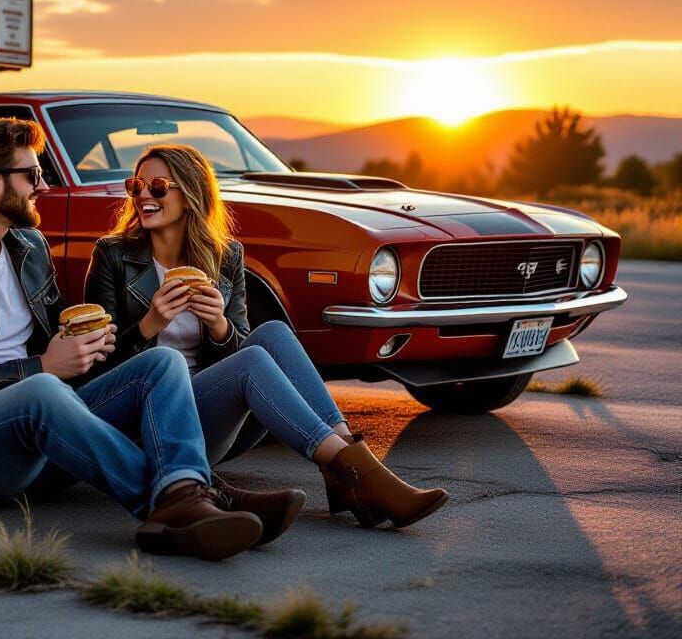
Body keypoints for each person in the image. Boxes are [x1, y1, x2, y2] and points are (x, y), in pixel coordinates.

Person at [0, 117, 282, 561]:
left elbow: (57, 344)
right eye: (31, 174)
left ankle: (188, 491)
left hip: (42, 439)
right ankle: (189, 502)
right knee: (43, 389)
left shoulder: (28, 247)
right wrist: (43, 367)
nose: (42, 184)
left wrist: (89, 347)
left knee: (162, 364)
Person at [84, 143, 449, 532]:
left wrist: (219, 326)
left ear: (190, 194)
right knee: (253, 361)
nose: (143, 195)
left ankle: (345, 469)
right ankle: (356, 477)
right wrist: (150, 323)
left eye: (156, 186)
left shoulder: (225, 257)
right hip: (152, 420)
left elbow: (238, 344)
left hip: (213, 414)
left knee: (272, 333)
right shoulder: (113, 256)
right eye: (135, 185)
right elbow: (99, 364)